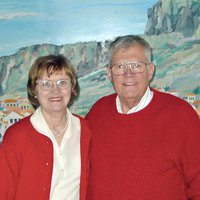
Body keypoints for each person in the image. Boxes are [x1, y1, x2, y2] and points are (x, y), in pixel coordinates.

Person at [86, 35, 200, 200]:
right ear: (109, 74)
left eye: (137, 66)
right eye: (120, 66)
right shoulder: (97, 112)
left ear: (150, 70)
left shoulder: (181, 115)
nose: (128, 74)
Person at [0, 54, 91, 200]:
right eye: (46, 84)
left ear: (72, 87)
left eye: (62, 82)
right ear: (34, 90)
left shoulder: (85, 130)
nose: (55, 91)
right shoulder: (17, 136)